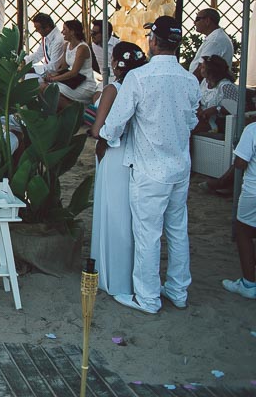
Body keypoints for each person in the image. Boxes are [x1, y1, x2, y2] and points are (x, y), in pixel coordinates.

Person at [100, 16, 199, 314]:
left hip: (149, 169)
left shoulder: (139, 78)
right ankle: (179, 291)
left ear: (154, 41)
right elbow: (192, 121)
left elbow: (116, 122)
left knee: (148, 233)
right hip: (180, 167)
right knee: (178, 230)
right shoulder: (190, 79)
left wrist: (105, 135)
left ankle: (147, 297)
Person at [87, 42, 148, 296]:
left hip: (113, 153)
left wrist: (94, 125)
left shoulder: (114, 89)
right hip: (136, 154)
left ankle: (111, 273)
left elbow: (97, 129)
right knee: (129, 214)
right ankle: (130, 274)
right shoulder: (143, 85)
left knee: (113, 214)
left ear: (115, 62)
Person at [222, 121, 256, 299]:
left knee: (243, 232)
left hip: (253, 191)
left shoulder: (252, 130)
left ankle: (248, 283)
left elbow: (241, 163)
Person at [41, 20, 97, 108]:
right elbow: (63, 67)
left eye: (64, 29)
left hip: (84, 83)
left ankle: (74, 112)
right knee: (43, 87)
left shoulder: (82, 48)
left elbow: (74, 72)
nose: (62, 32)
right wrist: (51, 75)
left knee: (49, 90)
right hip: (71, 81)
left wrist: (54, 79)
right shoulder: (66, 45)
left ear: (72, 32)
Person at [193, 55, 241, 136]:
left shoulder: (226, 86)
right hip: (203, 119)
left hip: (218, 123)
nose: (200, 68)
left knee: (187, 127)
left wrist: (216, 109)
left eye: (203, 67)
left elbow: (235, 109)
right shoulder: (205, 82)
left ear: (212, 71)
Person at [188, 8, 233, 81]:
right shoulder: (214, 38)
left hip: (208, 89)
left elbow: (202, 70)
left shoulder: (214, 41)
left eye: (197, 19)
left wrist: (188, 86)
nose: (194, 22)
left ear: (207, 21)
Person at [25, 13, 67, 78]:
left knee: (25, 79)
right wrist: (24, 61)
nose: (36, 31)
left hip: (54, 75)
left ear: (47, 27)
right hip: (46, 71)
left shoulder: (58, 40)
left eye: (38, 29)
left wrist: (30, 70)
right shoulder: (46, 37)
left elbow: (53, 67)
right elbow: (38, 55)